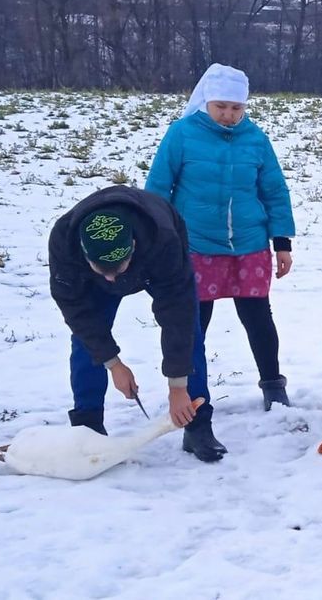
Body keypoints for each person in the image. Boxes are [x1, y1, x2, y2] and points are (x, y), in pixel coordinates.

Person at [146, 63, 296, 412]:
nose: (229, 115)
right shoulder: (182, 134)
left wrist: (282, 243)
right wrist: (158, 238)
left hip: (249, 245)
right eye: (222, 107)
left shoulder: (256, 139)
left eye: (236, 108)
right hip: (196, 244)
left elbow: (274, 190)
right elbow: (157, 188)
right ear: (207, 102)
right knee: (195, 322)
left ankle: (273, 383)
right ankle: (192, 389)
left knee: (258, 317)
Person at [48, 185, 225, 462]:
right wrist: (113, 363)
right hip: (95, 277)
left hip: (155, 261)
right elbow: (78, 313)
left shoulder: (163, 239)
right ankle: (87, 427)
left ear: (132, 246)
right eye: (101, 270)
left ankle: (197, 423)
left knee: (190, 333)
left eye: (117, 269)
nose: (111, 280)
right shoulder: (64, 242)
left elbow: (178, 316)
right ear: (84, 255)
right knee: (86, 340)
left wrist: (178, 387)